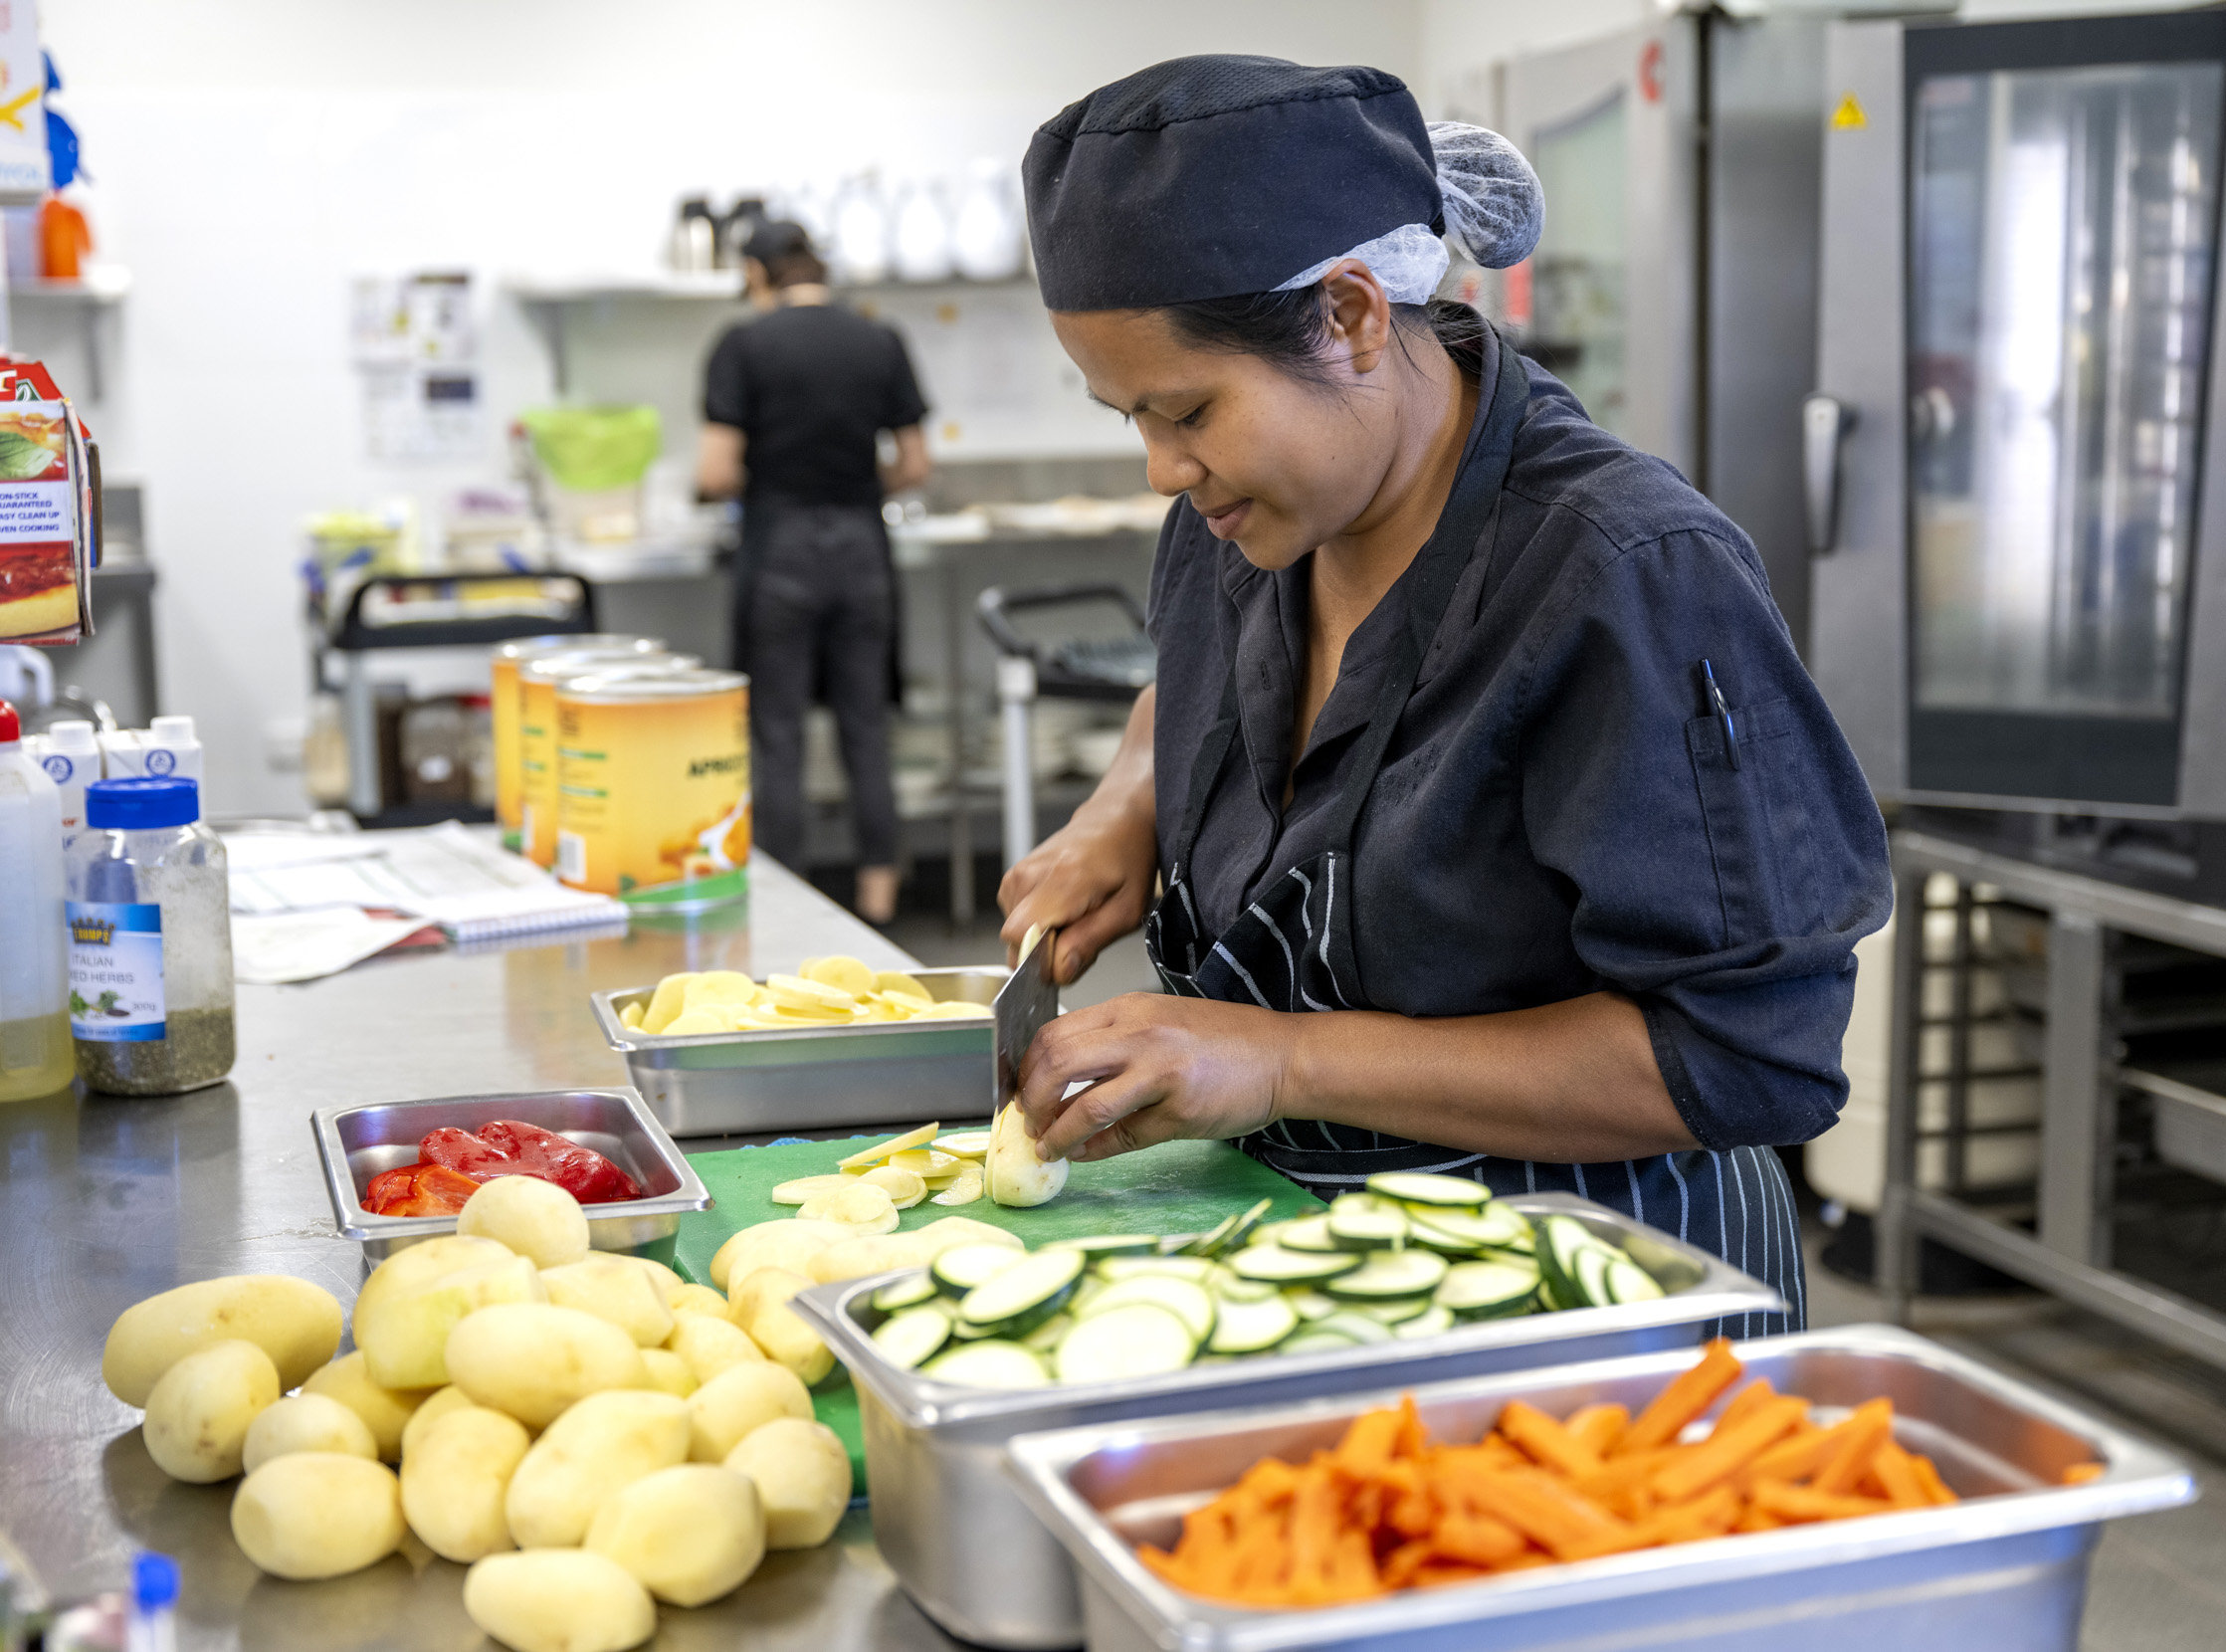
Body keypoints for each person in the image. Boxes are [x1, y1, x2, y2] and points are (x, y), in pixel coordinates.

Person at [998, 57, 1892, 1334]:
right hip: (1317, 1270)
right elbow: (1196, 691)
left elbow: (1745, 1055)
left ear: (1352, 315)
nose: (1160, 468)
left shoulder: (1624, 575)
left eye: (1186, 408)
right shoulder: (1242, 519)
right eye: (1128, 415)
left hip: (1601, 1308)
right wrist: (1125, 805)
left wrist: (1280, 1059)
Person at [698, 220, 930, 924]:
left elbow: (716, 472)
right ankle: (879, 903)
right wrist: (853, 486)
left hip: (781, 551)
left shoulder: (742, 345)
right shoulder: (879, 339)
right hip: (861, 549)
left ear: (757, 273)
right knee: (866, 728)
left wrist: (775, 484)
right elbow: (915, 464)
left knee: (779, 734)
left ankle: (786, 905)